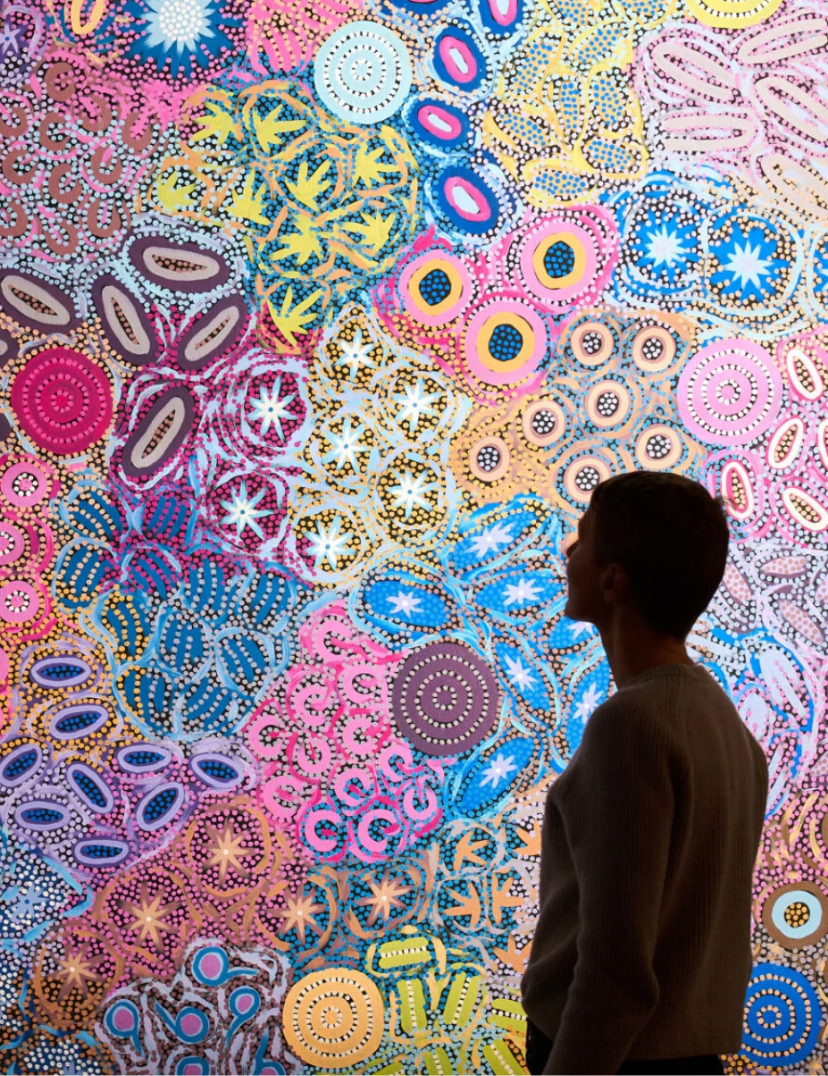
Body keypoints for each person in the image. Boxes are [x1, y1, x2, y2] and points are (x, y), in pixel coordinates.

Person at [520, 471, 769, 1076]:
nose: (567, 552)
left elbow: (616, 974)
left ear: (613, 580)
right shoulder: (727, 728)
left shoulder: (630, 726)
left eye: (582, 538)